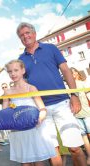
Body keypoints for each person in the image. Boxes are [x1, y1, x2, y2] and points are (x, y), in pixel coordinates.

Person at [17, 22, 86, 165]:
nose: (25, 36)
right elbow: (23, 85)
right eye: (22, 35)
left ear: (34, 34)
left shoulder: (51, 48)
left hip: (62, 104)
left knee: (75, 148)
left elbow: (66, 71)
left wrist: (74, 96)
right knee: (52, 151)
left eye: (27, 33)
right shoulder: (20, 59)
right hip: (41, 109)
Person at [3, 59, 56, 165]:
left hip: (34, 128)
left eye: (16, 70)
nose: (13, 74)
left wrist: (39, 119)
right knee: (24, 161)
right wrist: (10, 120)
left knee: (38, 160)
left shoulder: (31, 88)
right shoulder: (7, 92)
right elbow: (5, 113)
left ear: (23, 70)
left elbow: (42, 109)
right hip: (18, 130)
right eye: (10, 71)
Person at [71, 67, 90, 165]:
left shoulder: (83, 84)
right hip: (76, 115)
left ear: (78, 73)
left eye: (75, 73)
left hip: (87, 113)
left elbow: (89, 96)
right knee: (83, 136)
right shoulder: (67, 87)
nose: (74, 75)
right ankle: (89, 156)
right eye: (72, 73)